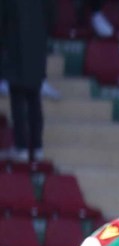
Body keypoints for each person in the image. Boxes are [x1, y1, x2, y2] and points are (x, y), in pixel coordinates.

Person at [0, 0, 54, 164]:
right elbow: (51, 17)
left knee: (18, 101)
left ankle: (22, 147)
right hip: (36, 48)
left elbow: (3, 18)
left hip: (16, 47)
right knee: (34, 100)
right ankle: (37, 148)